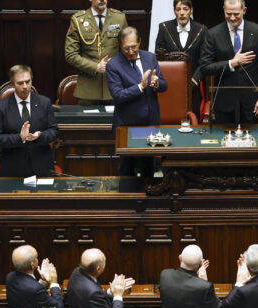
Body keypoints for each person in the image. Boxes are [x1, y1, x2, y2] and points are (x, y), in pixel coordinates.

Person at [106, 26, 167, 177]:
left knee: (148, 169)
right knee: (127, 171)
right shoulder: (113, 65)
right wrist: (140, 87)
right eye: (126, 48)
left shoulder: (150, 57)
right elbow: (118, 95)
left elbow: (164, 85)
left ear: (140, 42)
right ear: (120, 45)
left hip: (149, 122)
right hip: (128, 125)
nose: (131, 51)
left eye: (134, 47)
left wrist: (156, 83)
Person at [199, 0, 258, 124]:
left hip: (251, 104)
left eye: (236, 14)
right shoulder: (213, 34)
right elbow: (205, 66)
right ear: (224, 10)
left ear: (244, 10)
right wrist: (231, 63)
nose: (232, 18)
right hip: (224, 103)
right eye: (228, 13)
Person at [0, 65, 59, 177]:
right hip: (13, 169)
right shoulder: (1, 107)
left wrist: (39, 136)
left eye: (28, 81)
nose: (25, 86)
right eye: (20, 83)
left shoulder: (44, 103)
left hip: (42, 167)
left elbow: (54, 131)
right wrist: (19, 137)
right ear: (12, 84)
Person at [64, 0, 128, 105]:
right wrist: (96, 67)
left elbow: (126, 49)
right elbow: (70, 54)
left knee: (115, 121)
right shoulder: (78, 19)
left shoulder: (119, 18)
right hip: (87, 91)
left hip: (114, 88)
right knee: (87, 121)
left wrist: (116, 64)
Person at [155, 0, 208, 117]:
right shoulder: (164, 28)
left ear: (191, 10)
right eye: (178, 9)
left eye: (185, 9)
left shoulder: (202, 30)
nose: (182, 13)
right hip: (170, 85)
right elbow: (159, 57)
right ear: (174, 11)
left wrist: (194, 81)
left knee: (194, 118)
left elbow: (204, 59)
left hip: (194, 85)